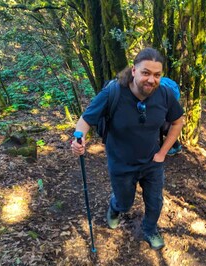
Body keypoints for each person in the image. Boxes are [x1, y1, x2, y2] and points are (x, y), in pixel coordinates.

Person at [71, 47, 184, 250]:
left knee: (155, 202)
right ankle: (115, 208)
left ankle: (149, 229)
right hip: (121, 163)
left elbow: (178, 121)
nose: (151, 80)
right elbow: (85, 120)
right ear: (134, 71)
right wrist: (78, 140)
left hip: (152, 162)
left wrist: (162, 152)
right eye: (146, 73)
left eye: (157, 75)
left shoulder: (164, 94)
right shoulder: (113, 92)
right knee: (125, 203)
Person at [159, 77, 183, 156]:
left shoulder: (161, 89)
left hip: (168, 104)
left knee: (165, 127)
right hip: (170, 102)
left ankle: (176, 146)